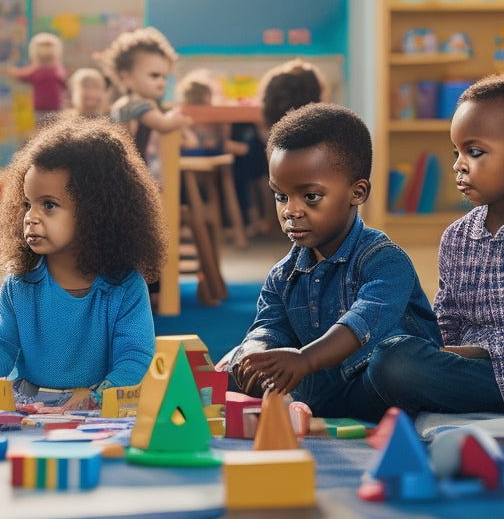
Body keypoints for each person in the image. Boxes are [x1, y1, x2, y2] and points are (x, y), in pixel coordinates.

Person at [223, 103, 441, 421]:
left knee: (394, 364)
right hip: (328, 387)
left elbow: (360, 324)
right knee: (236, 365)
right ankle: (301, 405)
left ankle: (303, 403)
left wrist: (305, 359)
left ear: (357, 192)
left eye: (310, 196)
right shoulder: (282, 275)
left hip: (382, 382)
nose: (290, 211)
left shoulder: (385, 260)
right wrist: (254, 351)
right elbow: (270, 326)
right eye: (281, 196)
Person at [0, 116, 166, 411]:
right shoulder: (20, 282)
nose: (31, 217)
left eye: (49, 205)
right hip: (29, 405)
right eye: (28, 204)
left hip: (97, 409)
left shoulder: (124, 287)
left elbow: (135, 358)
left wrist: (96, 399)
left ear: (96, 212)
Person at [358, 75, 504, 416]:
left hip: (487, 370)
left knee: (394, 366)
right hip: (466, 369)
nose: (458, 165)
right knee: (383, 347)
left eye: (475, 152)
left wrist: (461, 353)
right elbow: (446, 319)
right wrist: (431, 346)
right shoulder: (457, 237)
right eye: (456, 152)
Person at [233, 58, 330, 238]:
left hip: (273, 160)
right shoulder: (319, 118)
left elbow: (264, 133)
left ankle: (262, 219)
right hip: (310, 162)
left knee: (254, 156)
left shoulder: (272, 93)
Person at [101, 26, 192, 183]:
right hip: (131, 174)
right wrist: (183, 119)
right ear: (127, 77)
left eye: (164, 77)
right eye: (154, 75)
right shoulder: (138, 106)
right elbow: (164, 125)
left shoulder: (122, 103)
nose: (162, 83)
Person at [174, 69, 248, 156]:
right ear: (207, 97)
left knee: (242, 147)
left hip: (203, 150)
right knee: (244, 146)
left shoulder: (181, 113)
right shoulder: (185, 117)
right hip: (205, 152)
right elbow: (193, 143)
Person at [9, 32, 67, 124]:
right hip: (41, 108)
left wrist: (14, 72)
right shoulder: (39, 68)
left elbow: (23, 75)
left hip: (55, 107)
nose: (45, 50)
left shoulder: (52, 69)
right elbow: (23, 75)